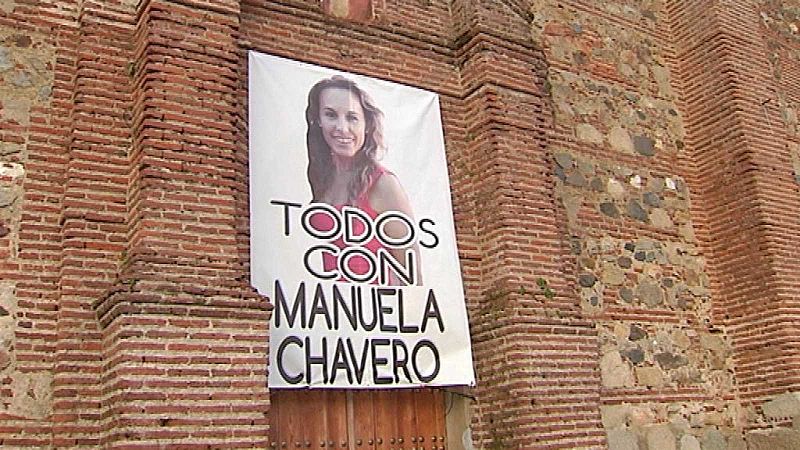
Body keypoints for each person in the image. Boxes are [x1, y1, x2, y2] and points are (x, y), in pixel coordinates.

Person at [305, 75, 421, 285]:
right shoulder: (320, 178)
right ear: (318, 120)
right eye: (331, 115)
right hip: (335, 302)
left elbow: (411, 274)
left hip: (379, 303)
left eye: (352, 117)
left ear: (367, 124)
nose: (342, 128)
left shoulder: (383, 184)